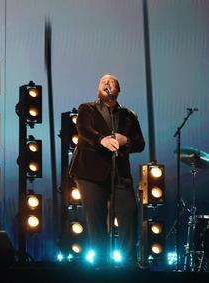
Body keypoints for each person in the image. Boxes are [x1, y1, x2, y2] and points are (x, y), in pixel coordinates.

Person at [69, 73, 145, 267]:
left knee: (129, 212)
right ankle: (101, 263)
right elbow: (84, 131)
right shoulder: (87, 109)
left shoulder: (128, 115)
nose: (107, 83)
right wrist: (101, 139)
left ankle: (128, 261)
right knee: (97, 218)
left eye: (111, 81)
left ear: (117, 90)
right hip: (90, 172)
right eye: (103, 81)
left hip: (119, 172)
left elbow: (140, 143)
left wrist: (125, 140)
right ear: (98, 90)